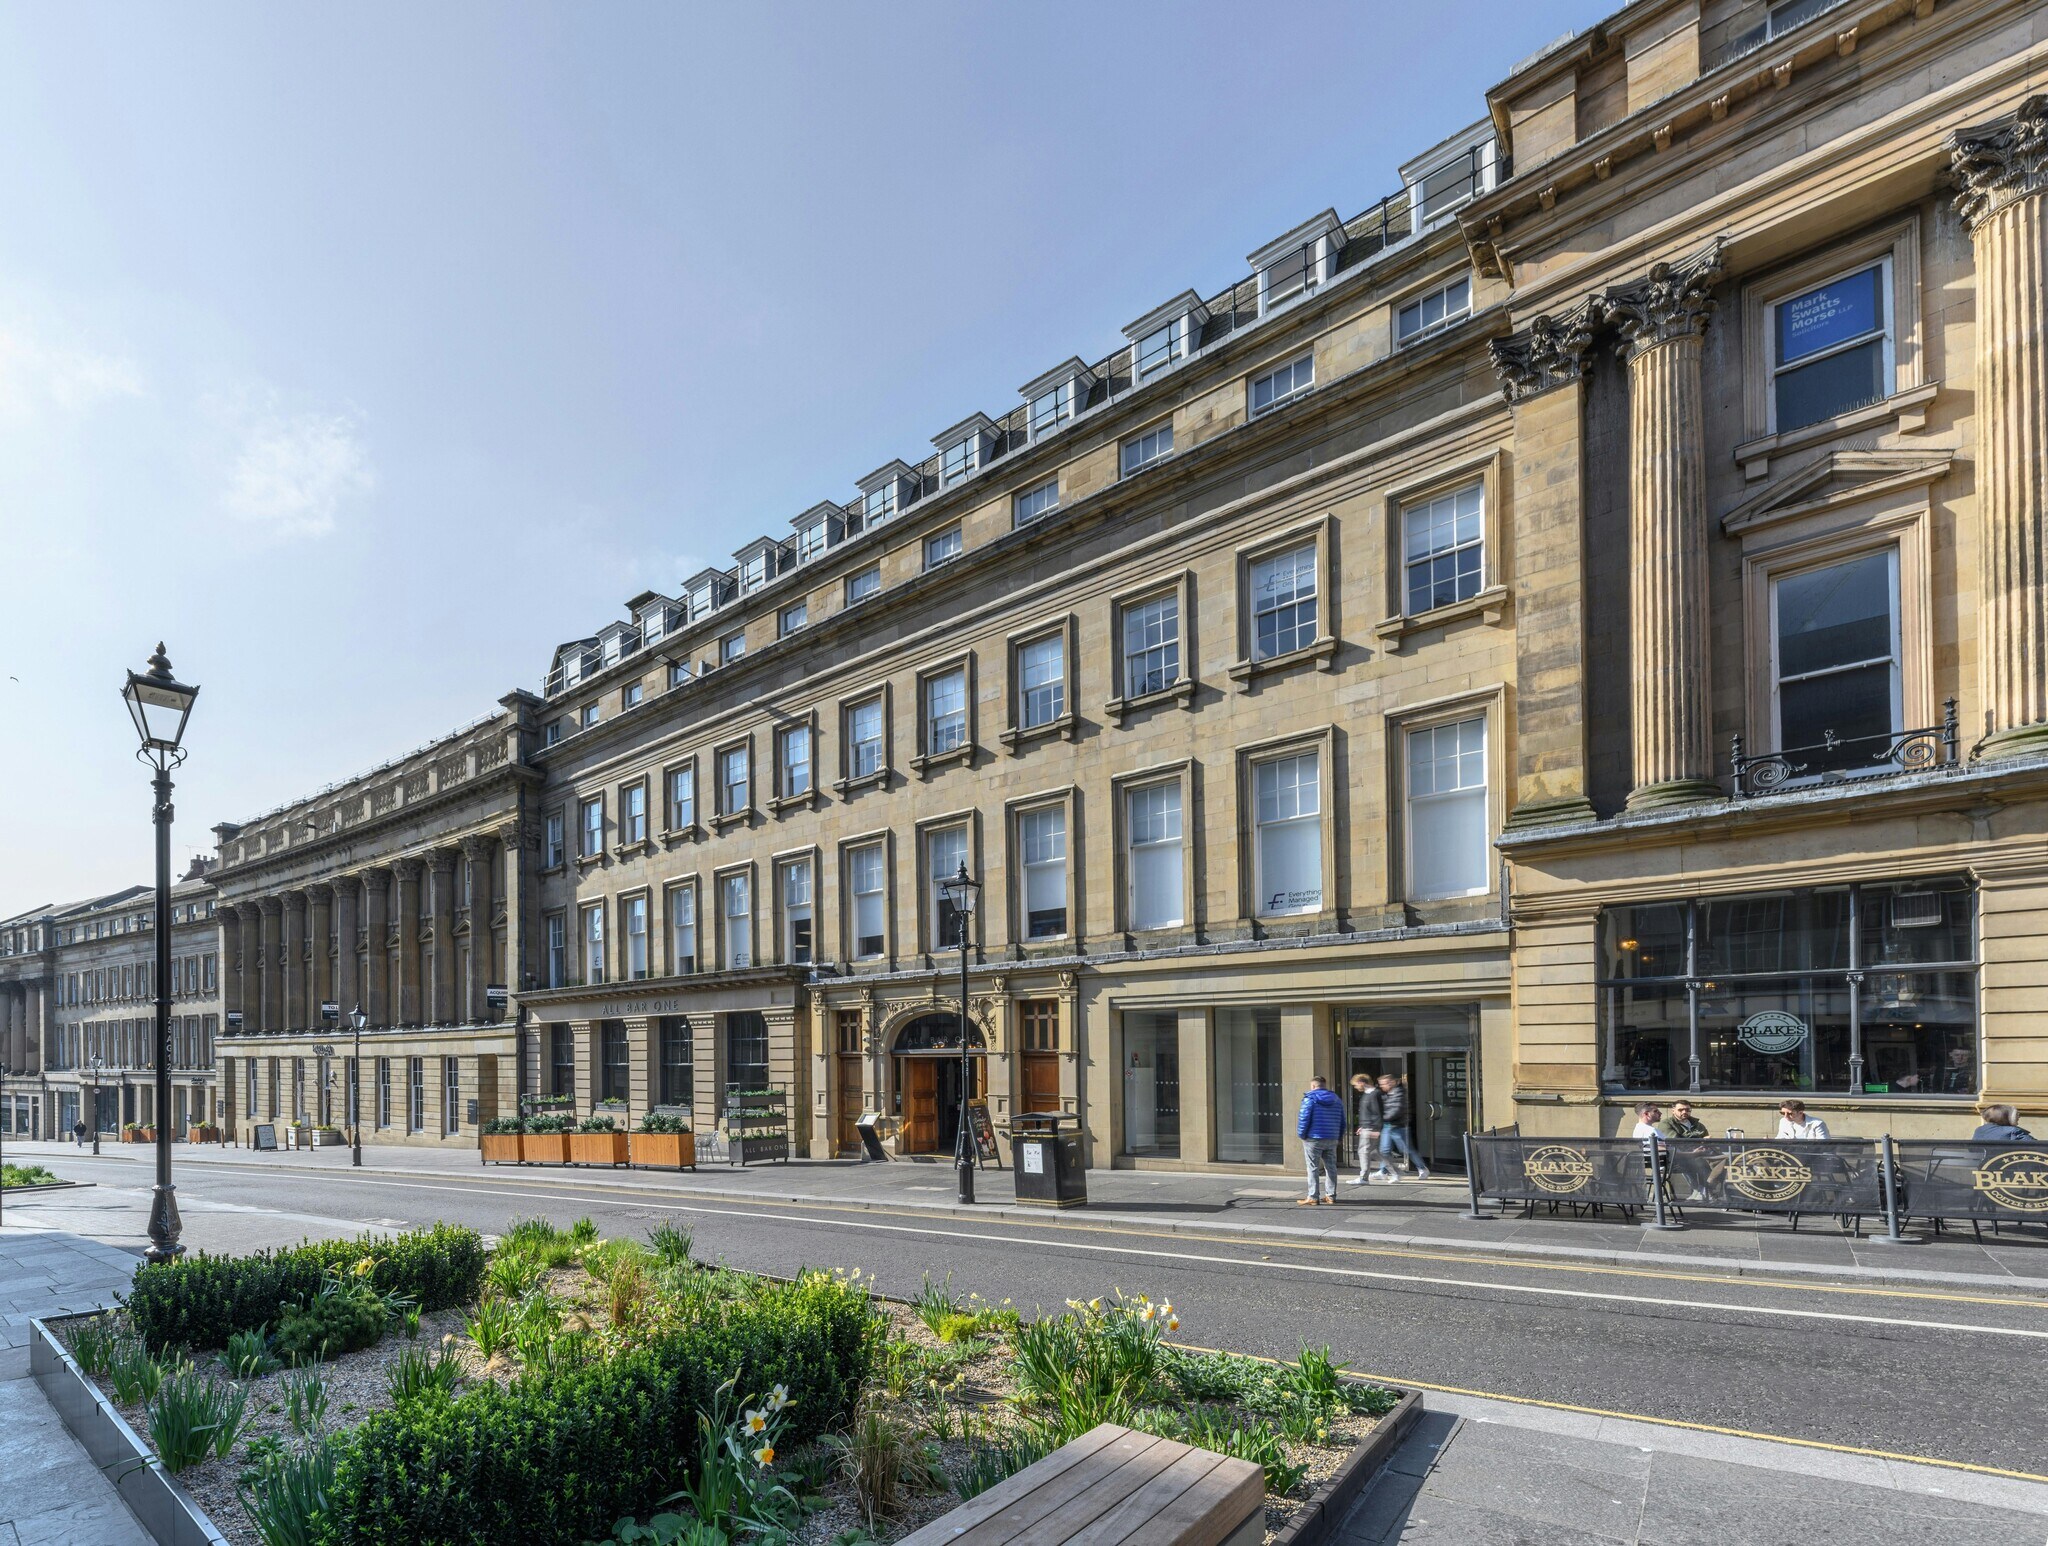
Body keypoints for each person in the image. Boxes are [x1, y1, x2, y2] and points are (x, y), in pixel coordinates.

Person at [1296, 1075, 1345, 1206]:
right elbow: (1343, 1120)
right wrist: (1339, 1136)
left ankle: (1313, 1196)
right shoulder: (1337, 1099)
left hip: (1313, 1138)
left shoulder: (1310, 1099)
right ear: (1324, 1085)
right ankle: (1331, 1196)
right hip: (1332, 1137)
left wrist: (1302, 1135)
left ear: (1313, 1086)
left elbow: (1303, 1119)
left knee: (1313, 1167)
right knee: (1331, 1167)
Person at [1375, 1072, 1431, 1182]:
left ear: (1390, 1083)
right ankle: (1383, 1171)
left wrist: (1382, 1117)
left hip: (1398, 1126)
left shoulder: (1398, 1093)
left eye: (1383, 1084)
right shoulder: (1388, 1094)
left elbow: (1397, 1110)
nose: (1382, 1086)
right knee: (1384, 1150)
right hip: (1388, 1126)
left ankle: (1422, 1168)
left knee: (1407, 1149)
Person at [1347, 1073, 1383, 1186]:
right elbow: (1368, 1113)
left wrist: (1376, 1129)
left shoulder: (1374, 1094)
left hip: (1371, 1128)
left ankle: (1364, 1177)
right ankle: (1395, 1171)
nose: (1355, 1087)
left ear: (1361, 1082)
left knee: (1363, 1151)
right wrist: (1362, 1126)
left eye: (1355, 1084)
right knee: (1374, 1152)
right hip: (1367, 1127)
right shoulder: (1367, 1094)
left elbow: (1378, 1112)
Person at [1972, 1103, 2036, 1142]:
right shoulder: (2013, 1131)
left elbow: (1972, 1150)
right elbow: (2036, 1145)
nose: (2019, 1117)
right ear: (2007, 1118)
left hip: (1981, 1163)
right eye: (2016, 1115)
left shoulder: (1979, 1130)